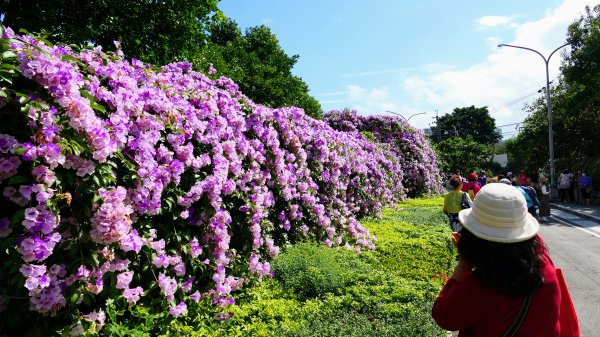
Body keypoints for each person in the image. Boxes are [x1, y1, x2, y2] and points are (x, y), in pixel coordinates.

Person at [432, 183, 562, 336]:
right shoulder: (544, 263)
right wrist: (514, 220)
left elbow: (444, 317)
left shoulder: (481, 284)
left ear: (474, 237)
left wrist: (464, 262)